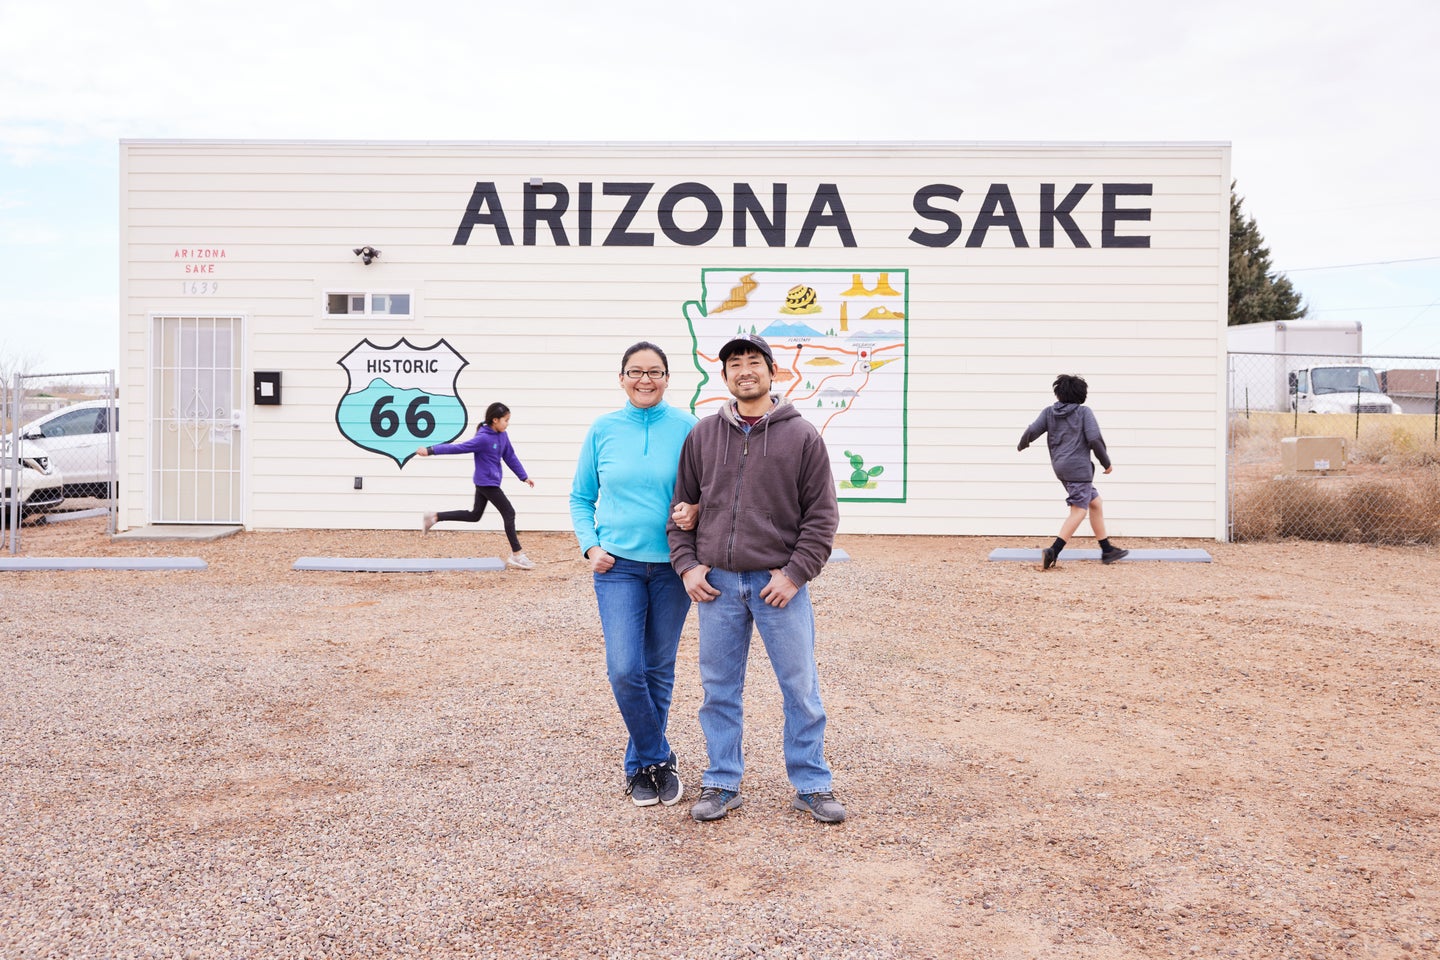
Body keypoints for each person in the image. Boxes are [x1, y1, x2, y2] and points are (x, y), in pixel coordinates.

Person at [668, 333, 845, 824]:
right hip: (717, 586)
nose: (744, 370)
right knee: (719, 689)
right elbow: (679, 509)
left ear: (773, 372)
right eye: (734, 364)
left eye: (753, 362)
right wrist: (687, 565)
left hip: (778, 588)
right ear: (724, 376)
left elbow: (822, 518)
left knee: (800, 688)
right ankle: (722, 782)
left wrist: (795, 574)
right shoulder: (703, 435)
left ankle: (811, 784)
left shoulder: (802, 436)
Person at [570, 342, 699, 808]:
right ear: (621, 377)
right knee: (625, 669)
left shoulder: (690, 428)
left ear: (668, 378)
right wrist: (590, 545)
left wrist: (697, 510)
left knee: (658, 669)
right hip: (617, 568)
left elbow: (710, 492)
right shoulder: (603, 429)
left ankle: (641, 770)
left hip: (673, 567)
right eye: (635, 372)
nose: (645, 380)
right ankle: (659, 756)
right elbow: (581, 497)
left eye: (655, 372)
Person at [1017, 374, 1129, 570]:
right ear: (1081, 394)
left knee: (1095, 503)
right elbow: (1094, 439)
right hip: (1078, 469)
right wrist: (1106, 463)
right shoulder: (1084, 412)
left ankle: (1107, 549)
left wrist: (1022, 444)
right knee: (1079, 509)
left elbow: (1032, 430)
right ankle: (1053, 550)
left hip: (1061, 467)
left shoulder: (1049, 412)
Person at [417, 401, 536, 570]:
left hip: (488, 481)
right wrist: (430, 450)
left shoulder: (503, 435)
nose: (507, 423)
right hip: (487, 483)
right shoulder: (483, 438)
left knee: (475, 515)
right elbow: (458, 448)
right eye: (505, 420)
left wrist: (523, 476)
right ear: (495, 420)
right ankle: (516, 554)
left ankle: (434, 517)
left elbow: (510, 456)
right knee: (509, 512)